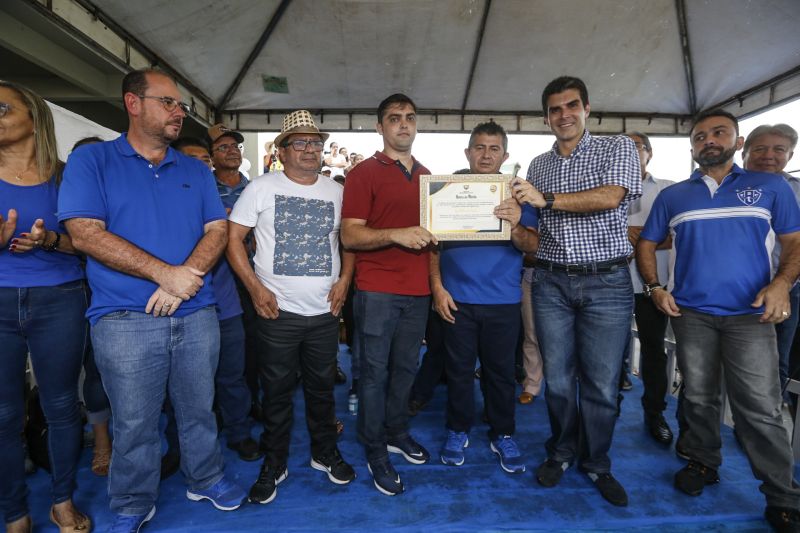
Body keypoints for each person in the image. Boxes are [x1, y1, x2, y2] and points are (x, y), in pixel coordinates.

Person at [59, 68, 246, 532]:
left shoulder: (193, 168)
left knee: (199, 408)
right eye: (168, 102)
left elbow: (217, 229)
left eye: (181, 105)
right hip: (123, 317)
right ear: (133, 103)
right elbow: (84, 233)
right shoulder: (94, 162)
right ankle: (130, 503)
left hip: (196, 312)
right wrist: (166, 274)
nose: (179, 112)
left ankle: (205, 477)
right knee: (134, 421)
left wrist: (184, 280)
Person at [637, 109, 800, 532]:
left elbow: (793, 242)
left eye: (719, 133)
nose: (709, 140)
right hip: (691, 314)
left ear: (737, 140)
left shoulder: (770, 186)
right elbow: (648, 243)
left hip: (750, 316)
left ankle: (782, 495)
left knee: (760, 408)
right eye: (700, 136)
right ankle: (702, 462)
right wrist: (655, 288)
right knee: (698, 397)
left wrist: (782, 283)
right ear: (691, 146)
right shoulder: (674, 196)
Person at [513, 76, 641, 507]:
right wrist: (509, 221)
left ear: (587, 108)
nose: (563, 114)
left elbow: (610, 197)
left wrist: (545, 199)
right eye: (554, 109)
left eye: (572, 105)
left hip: (607, 282)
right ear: (546, 117)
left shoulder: (617, 147)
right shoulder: (537, 165)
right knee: (560, 381)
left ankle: (598, 463)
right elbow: (531, 236)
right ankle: (563, 451)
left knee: (603, 385)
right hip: (549, 281)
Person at [227, 109, 356, 505]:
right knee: (277, 391)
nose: (309, 150)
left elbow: (349, 242)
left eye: (315, 143)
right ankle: (275, 460)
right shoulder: (261, 188)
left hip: (322, 314)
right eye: (299, 142)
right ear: (281, 150)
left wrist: (345, 281)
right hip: (275, 313)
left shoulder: (337, 191)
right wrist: (254, 289)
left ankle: (324, 452)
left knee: (321, 389)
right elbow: (234, 242)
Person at [0, 80, 91, 533]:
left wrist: (50, 240)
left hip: (60, 299)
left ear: (33, 118)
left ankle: (62, 501)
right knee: (4, 413)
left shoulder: (68, 175)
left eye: (1, 108)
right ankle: (14, 513)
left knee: (60, 406)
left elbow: (92, 244)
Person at [341, 93, 436, 496]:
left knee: (405, 371)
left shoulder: (430, 176)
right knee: (373, 375)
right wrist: (396, 234)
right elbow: (350, 234)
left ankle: (397, 431)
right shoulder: (364, 173)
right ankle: (374, 447)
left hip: (417, 292)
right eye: (394, 118)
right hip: (377, 290)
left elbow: (435, 240)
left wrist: (436, 284)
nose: (403, 124)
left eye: (410, 118)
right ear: (380, 127)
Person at [432, 121, 538, 472]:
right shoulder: (445, 190)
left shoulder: (521, 195)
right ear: (468, 152)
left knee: (500, 373)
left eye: (494, 149)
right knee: (459, 372)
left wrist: (516, 224)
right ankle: (457, 429)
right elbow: (431, 245)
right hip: (456, 300)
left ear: (505, 155)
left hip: (503, 301)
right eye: (479, 147)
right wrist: (437, 286)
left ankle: (503, 433)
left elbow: (532, 246)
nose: (486, 154)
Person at [624, 131, 675, 444]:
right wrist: (623, 234)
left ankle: (654, 412)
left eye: (636, 147)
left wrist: (646, 239)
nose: (630, 152)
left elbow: (679, 234)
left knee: (654, 350)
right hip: (610, 284)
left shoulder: (669, 190)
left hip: (652, 286)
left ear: (650, 153)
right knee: (604, 354)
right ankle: (602, 416)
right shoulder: (603, 190)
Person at [742, 124, 799, 400]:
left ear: (790, 154)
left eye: (779, 150)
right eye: (760, 148)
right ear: (745, 151)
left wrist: (784, 283)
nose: (769, 155)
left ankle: (764, 428)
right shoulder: (727, 186)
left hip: (788, 289)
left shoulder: (797, 191)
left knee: (776, 358)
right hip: (737, 288)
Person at [69, 135, 114, 478]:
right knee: (86, 371)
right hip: (71, 291)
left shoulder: (118, 193)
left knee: (102, 369)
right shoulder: (66, 192)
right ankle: (99, 438)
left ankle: (109, 441)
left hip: (113, 294)